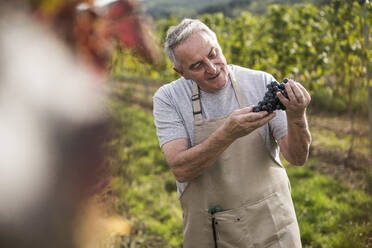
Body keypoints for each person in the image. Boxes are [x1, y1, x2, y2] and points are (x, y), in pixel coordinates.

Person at [153, 18, 311, 248]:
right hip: (211, 231)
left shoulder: (260, 82)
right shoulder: (168, 99)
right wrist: (227, 133)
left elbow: (297, 158)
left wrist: (297, 117)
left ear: (219, 44)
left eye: (213, 54)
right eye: (197, 65)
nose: (212, 68)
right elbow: (181, 169)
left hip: (273, 225)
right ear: (181, 72)